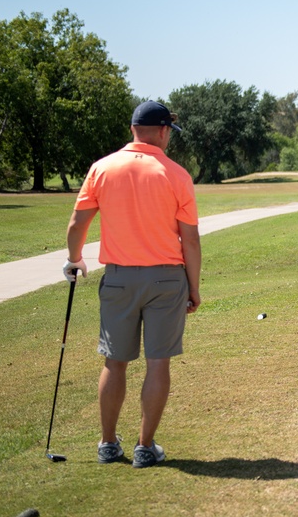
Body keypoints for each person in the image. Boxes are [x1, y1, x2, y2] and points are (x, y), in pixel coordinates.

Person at [63, 100, 201, 469]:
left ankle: (108, 444)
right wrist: (194, 287)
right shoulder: (176, 174)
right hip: (166, 278)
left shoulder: (102, 168)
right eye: (169, 130)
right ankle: (145, 446)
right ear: (162, 131)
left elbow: (78, 223)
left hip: (120, 277)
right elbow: (190, 240)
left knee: (115, 361)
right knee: (158, 363)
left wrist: (75, 259)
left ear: (132, 129)